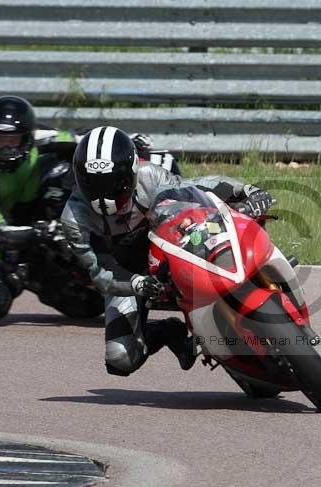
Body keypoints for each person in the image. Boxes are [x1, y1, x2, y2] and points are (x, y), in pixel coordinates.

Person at [61, 126, 275, 376]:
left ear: (131, 173)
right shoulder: (73, 218)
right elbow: (100, 267)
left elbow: (194, 188)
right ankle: (169, 331)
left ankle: (264, 272)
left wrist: (244, 190)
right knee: (120, 357)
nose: (103, 195)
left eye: (112, 184)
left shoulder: (149, 176)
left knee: (234, 220)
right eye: (94, 184)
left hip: (169, 245)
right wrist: (137, 283)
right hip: (126, 273)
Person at [0, 95, 79, 321]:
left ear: (27, 137)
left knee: (65, 165)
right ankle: (20, 274)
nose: (6, 148)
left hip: (27, 206)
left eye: (13, 140)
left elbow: (85, 139)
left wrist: (130, 142)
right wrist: (44, 232)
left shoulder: (39, 139)